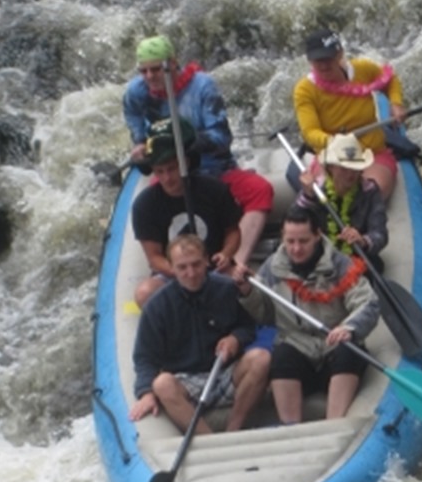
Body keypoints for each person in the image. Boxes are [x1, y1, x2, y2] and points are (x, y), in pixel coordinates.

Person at [123, 34, 274, 264]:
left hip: (212, 168)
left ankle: (235, 261)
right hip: (169, 170)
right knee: (156, 199)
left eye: (156, 69)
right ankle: (177, 264)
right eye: (144, 71)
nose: (150, 77)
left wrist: (185, 142)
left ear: (172, 63)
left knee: (259, 190)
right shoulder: (136, 92)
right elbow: (134, 118)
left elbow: (221, 138)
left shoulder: (203, 86)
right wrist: (140, 142)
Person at [234, 204, 379, 424]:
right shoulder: (272, 268)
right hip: (297, 347)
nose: (296, 249)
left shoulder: (340, 264)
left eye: (303, 241)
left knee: (348, 352)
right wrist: (247, 292)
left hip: (334, 344)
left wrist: (349, 327)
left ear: (317, 236)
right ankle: (292, 428)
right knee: (281, 357)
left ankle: (335, 426)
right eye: (290, 241)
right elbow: (264, 315)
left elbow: (367, 303)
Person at [130, 234, 271, 434]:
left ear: (206, 261)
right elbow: (144, 357)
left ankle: (234, 429)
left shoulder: (226, 288)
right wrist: (146, 392)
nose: (191, 273)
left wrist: (235, 339)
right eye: (182, 267)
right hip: (187, 380)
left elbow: (248, 327)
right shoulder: (158, 306)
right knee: (162, 384)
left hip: (225, 371)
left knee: (261, 359)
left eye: (196, 264)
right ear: (172, 268)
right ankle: (207, 439)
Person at [131, 117, 242, 306]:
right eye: (160, 171)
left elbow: (233, 232)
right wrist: (183, 271)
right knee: (144, 294)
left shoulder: (214, 189)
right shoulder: (145, 205)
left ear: (186, 163)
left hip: (215, 269)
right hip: (173, 274)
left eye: (172, 169)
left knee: (246, 283)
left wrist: (226, 254)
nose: (167, 178)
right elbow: (154, 257)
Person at [293, 28, 409, 200]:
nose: (324, 65)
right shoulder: (304, 90)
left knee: (371, 195)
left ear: (339, 54)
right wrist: (336, 142)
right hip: (332, 158)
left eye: (328, 58)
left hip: (371, 152)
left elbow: (390, 79)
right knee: (329, 197)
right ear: (309, 60)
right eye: (318, 60)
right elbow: (310, 133)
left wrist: (396, 103)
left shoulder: (363, 69)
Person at [298, 132, 388, 263]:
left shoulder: (370, 191)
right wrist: (308, 197)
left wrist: (363, 240)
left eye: (355, 168)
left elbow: (380, 234)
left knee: (376, 264)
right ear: (331, 168)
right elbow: (295, 225)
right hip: (320, 257)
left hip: (356, 257)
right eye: (344, 168)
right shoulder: (316, 189)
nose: (351, 174)